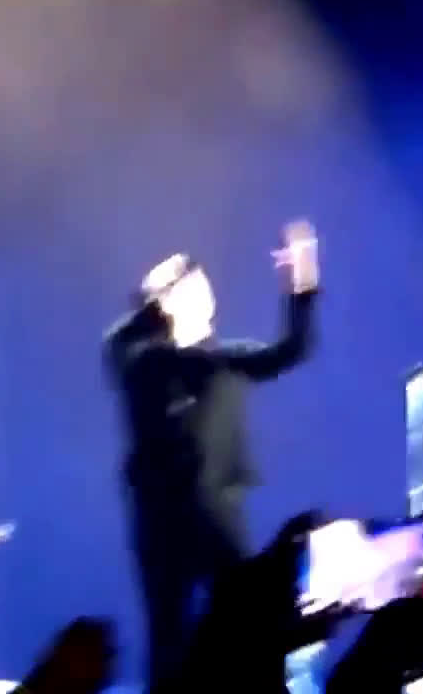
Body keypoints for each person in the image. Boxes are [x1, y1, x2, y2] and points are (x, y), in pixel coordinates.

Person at [103, 220, 320, 688]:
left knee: (247, 612)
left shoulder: (226, 361)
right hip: (161, 520)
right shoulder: (142, 362)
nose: (198, 292)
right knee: (169, 634)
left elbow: (292, 349)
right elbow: (118, 341)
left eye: (198, 285)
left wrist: (302, 282)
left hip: (216, 512)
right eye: (184, 287)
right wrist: (155, 303)